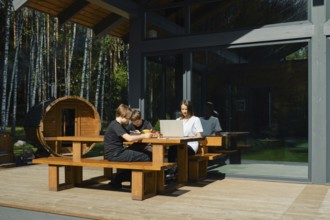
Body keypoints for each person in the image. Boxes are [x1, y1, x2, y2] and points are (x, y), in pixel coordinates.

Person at [103, 104, 152, 189]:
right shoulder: (116, 125)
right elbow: (129, 138)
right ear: (123, 116)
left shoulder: (116, 124)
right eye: (128, 118)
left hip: (115, 153)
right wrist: (144, 136)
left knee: (139, 153)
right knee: (148, 156)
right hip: (116, 154)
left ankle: (117, 180)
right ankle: (142, 182)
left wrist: (137, 133)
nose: (129, 120)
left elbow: (128, 134)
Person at [167, 100, 203, 179]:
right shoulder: (178, 120)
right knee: (171, 149)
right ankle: (171, 171)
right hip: (179, 144)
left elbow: (199, 135)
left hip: (191, 145)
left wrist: (189, 137)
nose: (184, 111)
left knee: (178, 149)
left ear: (190, 109)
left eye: (186, 109)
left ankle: (173, 173)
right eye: (182, 109)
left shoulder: (195, 119)